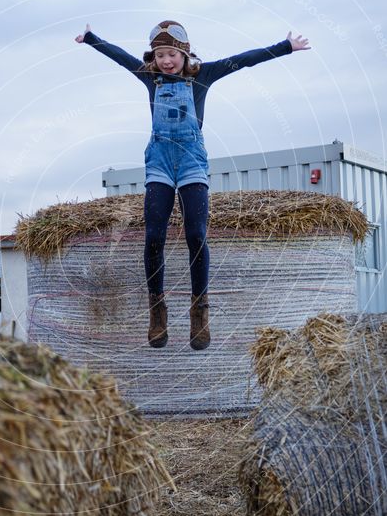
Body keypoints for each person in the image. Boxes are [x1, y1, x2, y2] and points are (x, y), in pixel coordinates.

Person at [75, 20, 310, 350]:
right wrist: (90, 39)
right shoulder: (149, 77)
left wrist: (285, 47)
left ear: (184, 53)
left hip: (191, 161)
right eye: (159, 55)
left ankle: (199, 311)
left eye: (171, 53)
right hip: (159, 160)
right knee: (154, 234)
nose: (166, 61)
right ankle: (157, 309)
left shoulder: (203, 75)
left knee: (196, 234)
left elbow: (243, 60)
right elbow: (120, 56)